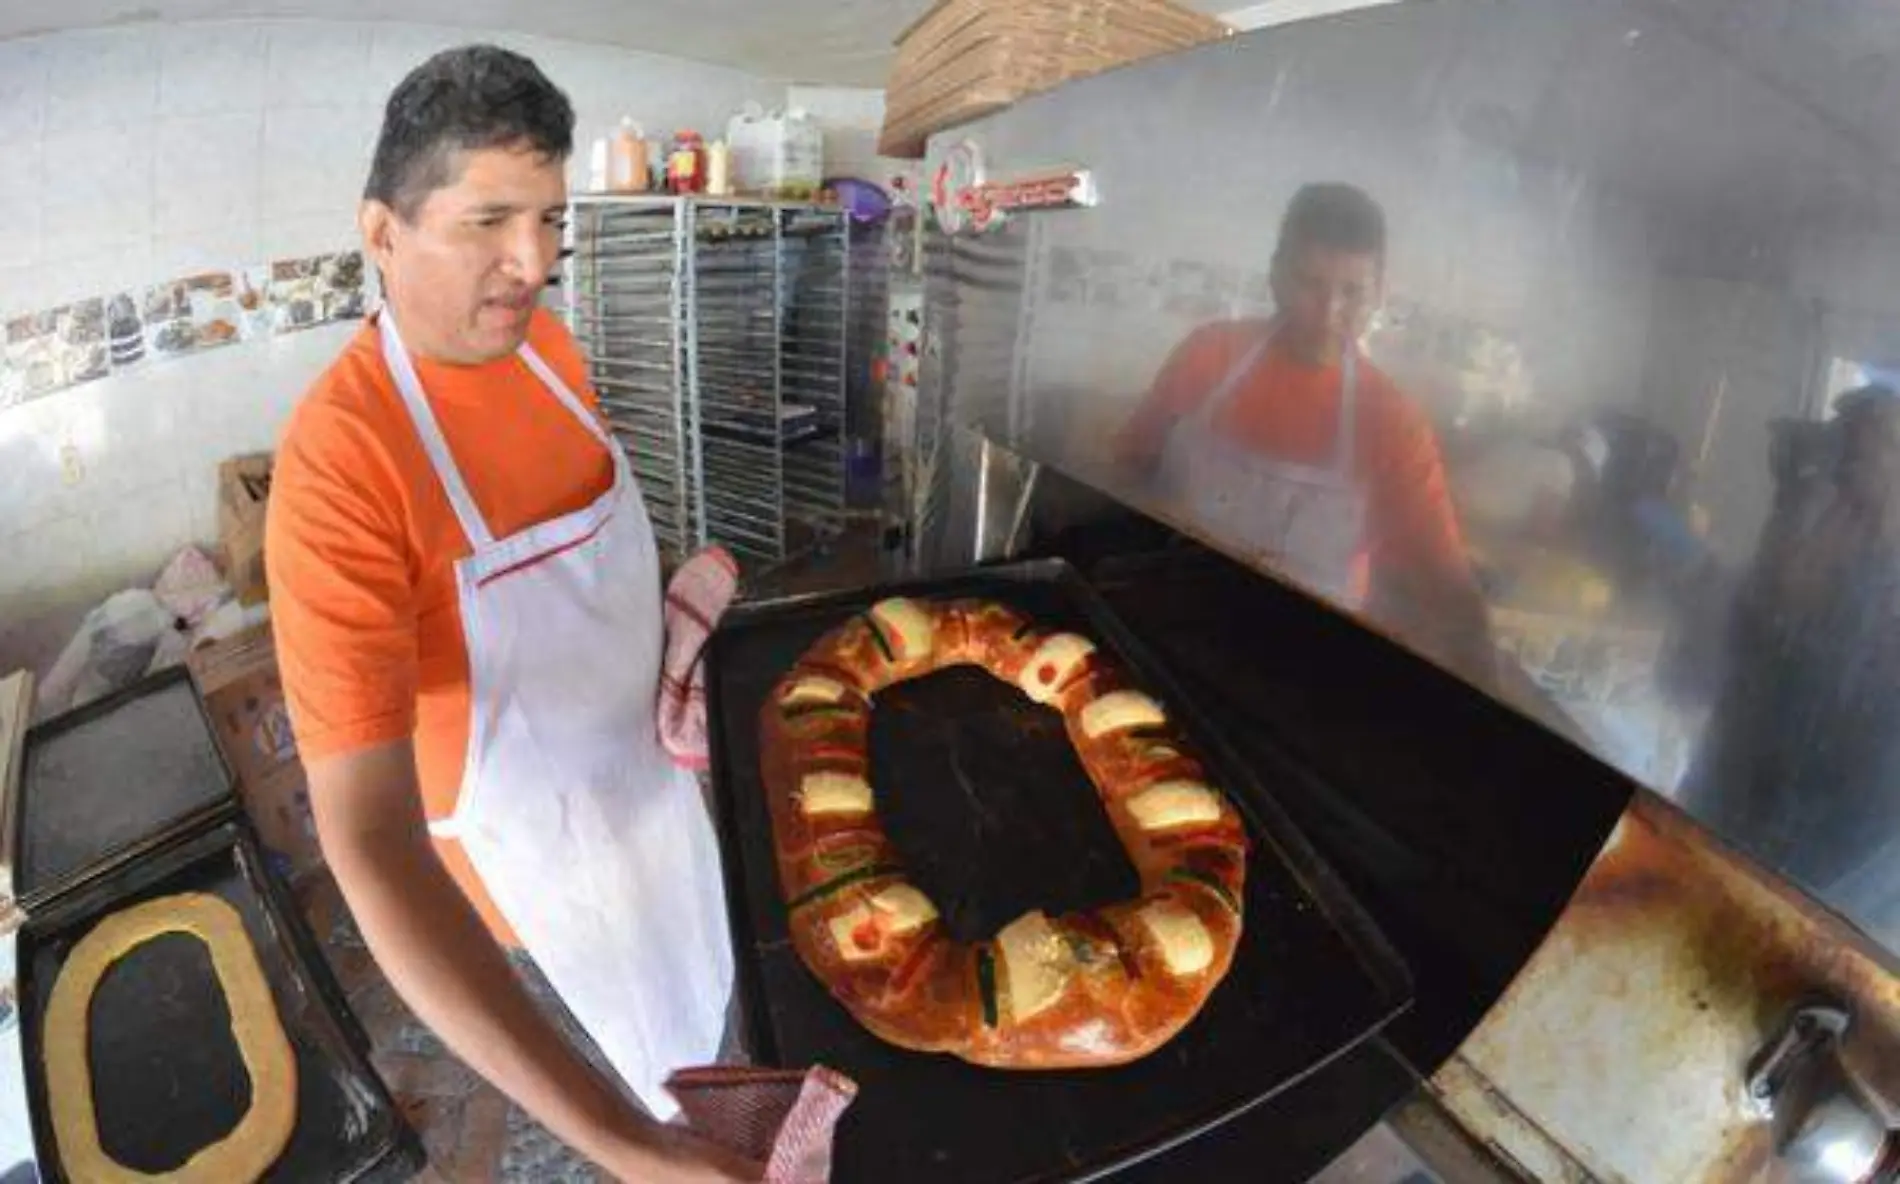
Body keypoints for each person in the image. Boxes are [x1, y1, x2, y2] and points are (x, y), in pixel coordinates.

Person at [264, 47, 756, 1182]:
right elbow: (371, 843)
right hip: (532, 929)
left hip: (662, 819)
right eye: (488, 219)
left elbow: (597, 556)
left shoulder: (545, 348)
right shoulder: (343, 467)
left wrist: (673, 634)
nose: (532, 262)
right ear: (383, 232)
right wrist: (625, 1144)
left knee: (729, 1071)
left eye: (547, 217)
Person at [1114, 183, 1492, 682]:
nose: (1330, 313)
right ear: (1276, 275)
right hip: (1169, 624)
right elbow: (1129, 470)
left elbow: (1451, 596)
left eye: (1352, 292)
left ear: (1379, 292)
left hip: (1307, 667)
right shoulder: (1207, 356)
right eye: (1309, 283)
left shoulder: (1392, 423)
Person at [1682, 384, 1900, 947]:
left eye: (1868, 454)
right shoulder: (1808, 529)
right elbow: (1712, 669)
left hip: (1838, 872)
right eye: (1846, 456)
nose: (1845, 477)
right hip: (1726, 814)